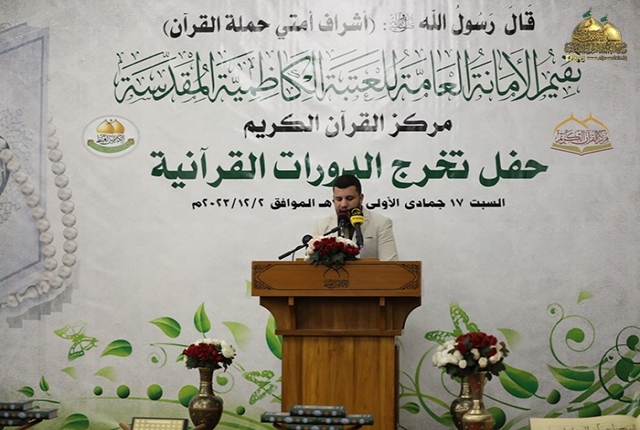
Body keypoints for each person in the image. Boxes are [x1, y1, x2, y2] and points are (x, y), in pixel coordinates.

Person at [311, 174, 398, 261]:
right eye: (339, 199)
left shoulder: (381, 224)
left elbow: (390, 263)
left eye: (349, 198)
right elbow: (311, 263)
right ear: (333, 200)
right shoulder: (321, 226)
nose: (343, 204)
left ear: (360, 198)